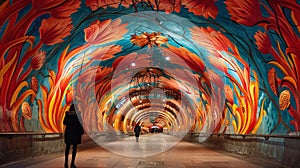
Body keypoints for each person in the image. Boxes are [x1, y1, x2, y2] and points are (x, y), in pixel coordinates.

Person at [63, 104, 84, 168]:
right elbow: (80, 124)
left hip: (68, 133)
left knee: (67, 148)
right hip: (75, 133)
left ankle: (66, 163)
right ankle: (72, 163)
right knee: (74, 148)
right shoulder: (78, 114)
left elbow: (64, 122)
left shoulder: (67, 114)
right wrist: (81, 131)